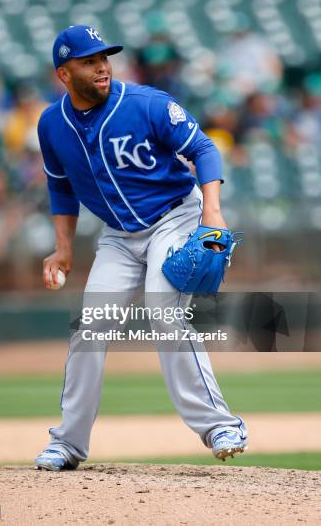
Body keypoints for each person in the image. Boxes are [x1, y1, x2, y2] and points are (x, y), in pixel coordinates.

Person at [35, 25, 247, 471]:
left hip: (175, 214)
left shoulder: (147, 104)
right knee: (91, 328)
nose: (101, 67)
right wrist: (63, 249)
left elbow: (205, 149)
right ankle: (68, 443)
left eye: (104, 58)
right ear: (63, 74)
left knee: (162, 307)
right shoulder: (52, 124)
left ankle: (220, 425)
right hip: (117, 235)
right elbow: (60, 188)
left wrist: (211, 210)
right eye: (89, 61)